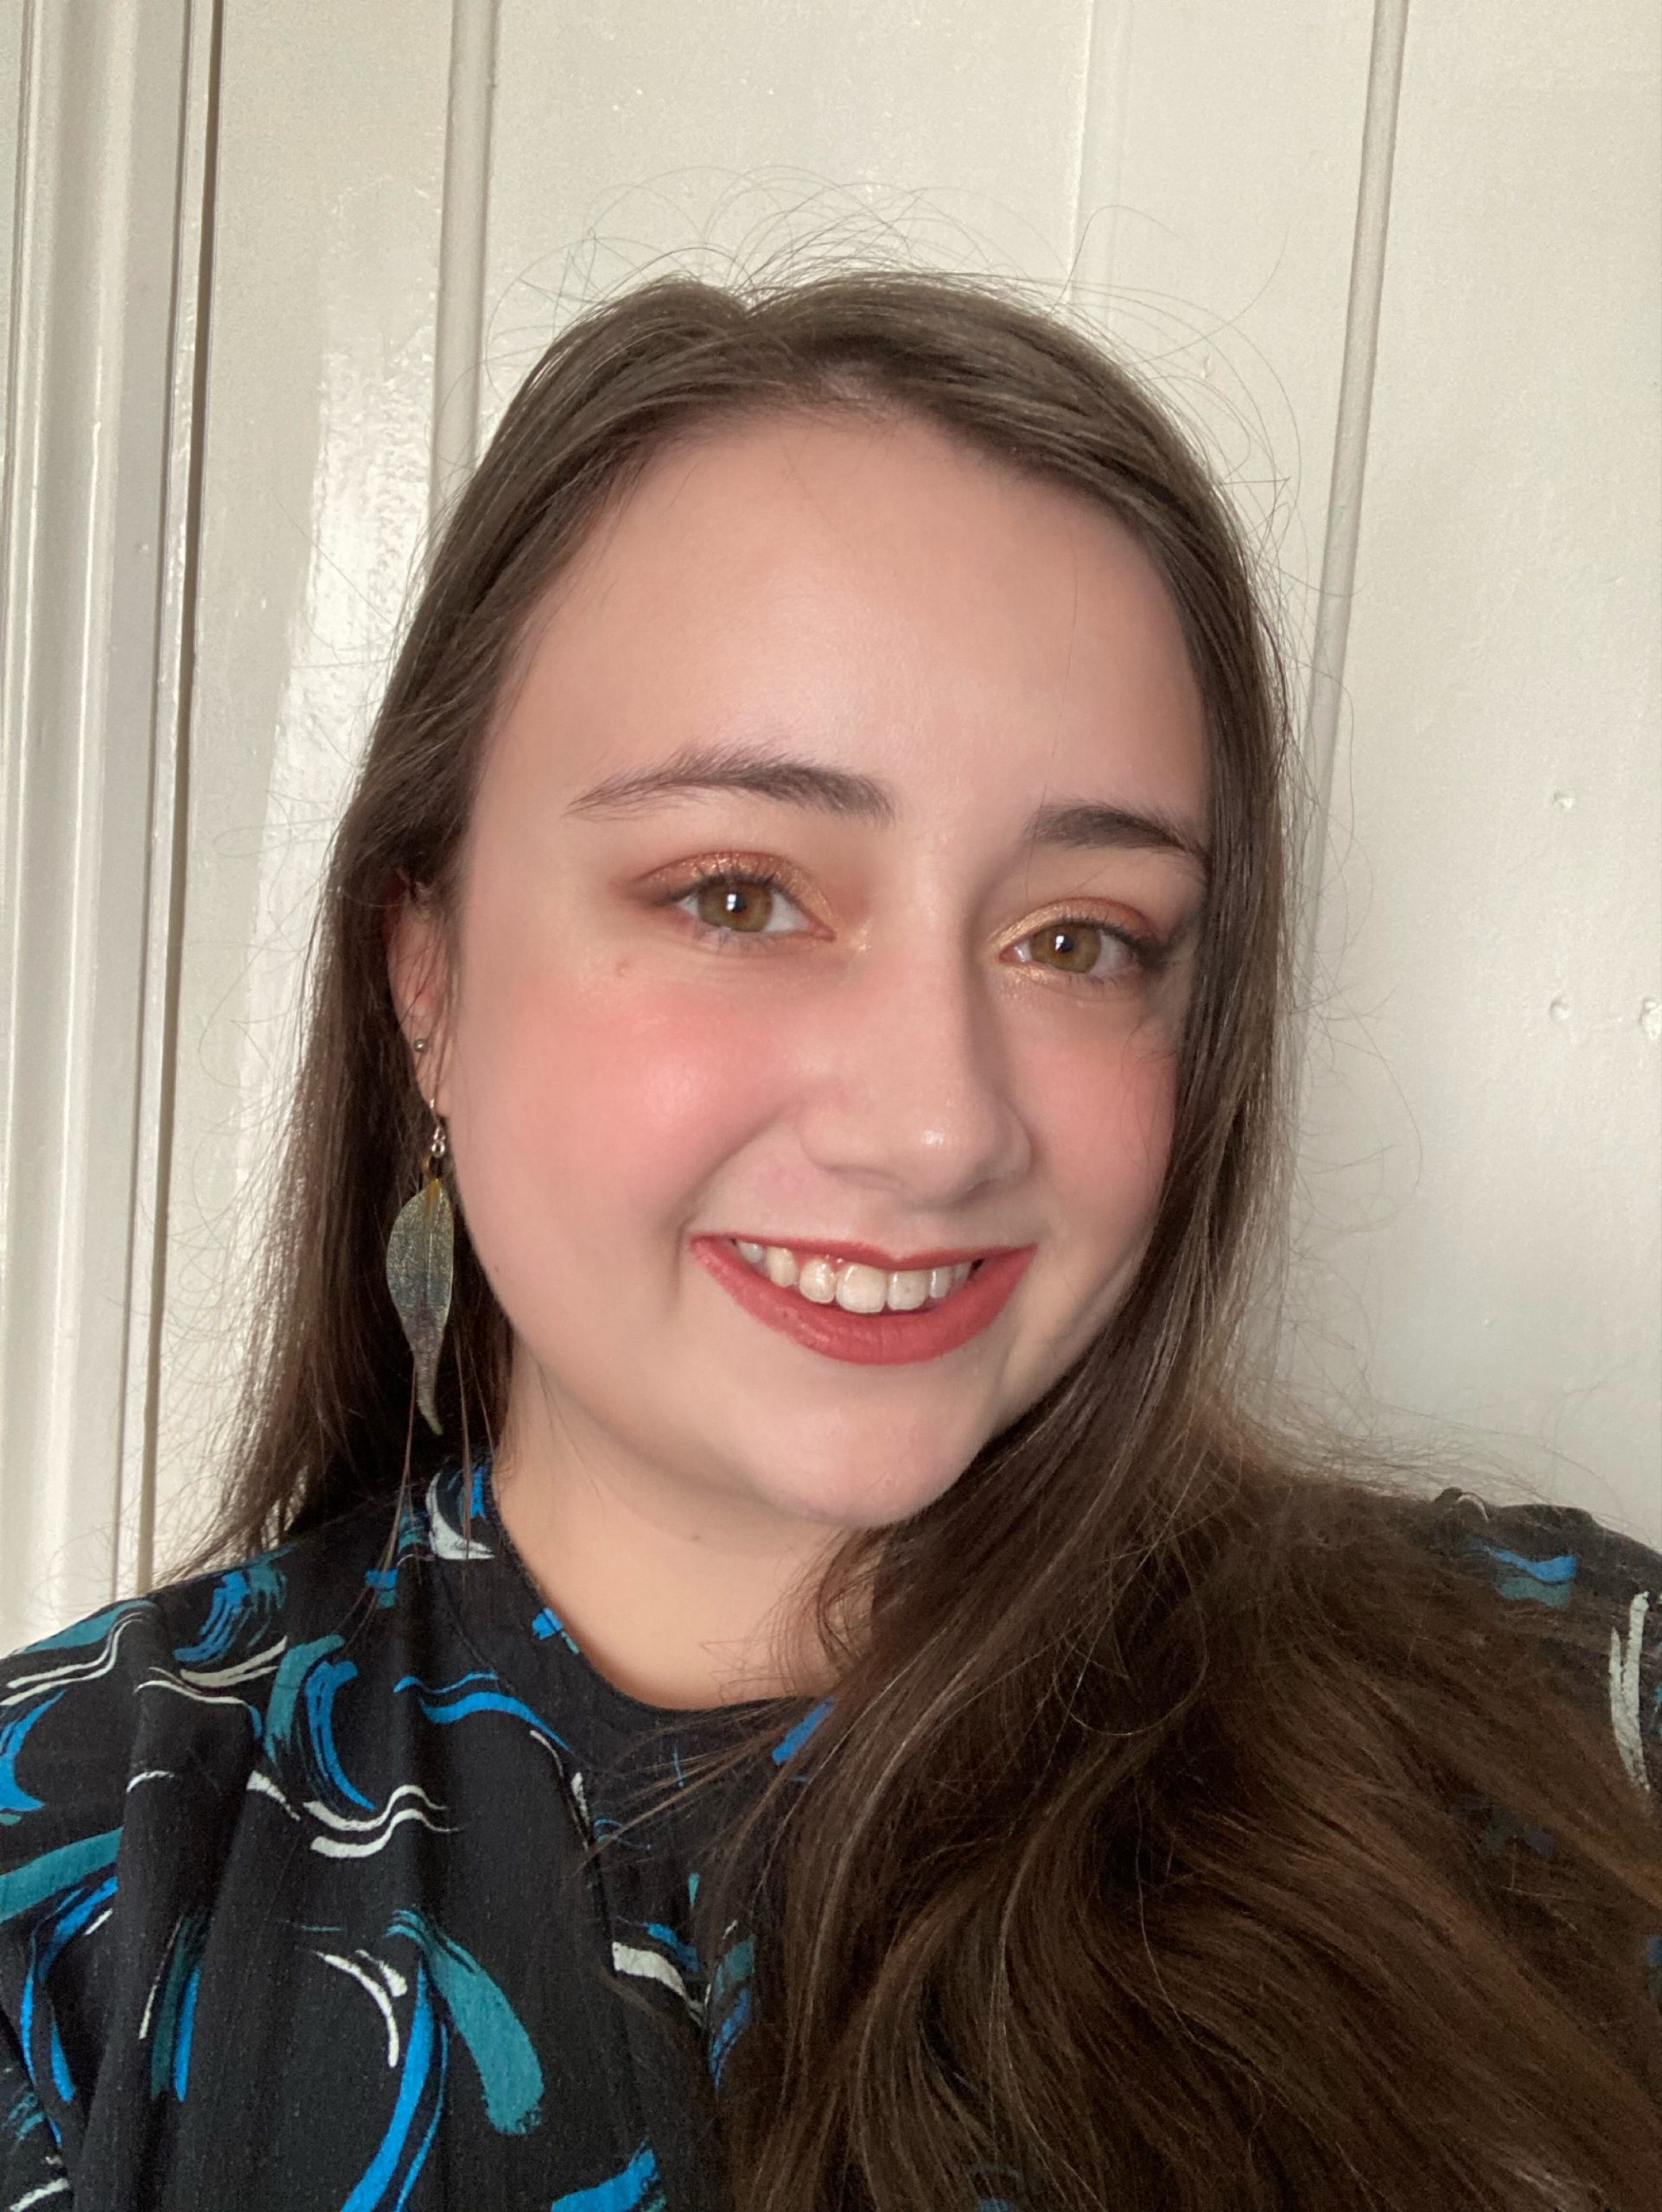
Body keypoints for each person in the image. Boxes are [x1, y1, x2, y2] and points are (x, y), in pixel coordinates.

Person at [0, 268, 1656, 2212]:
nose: (940, 1124)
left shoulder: (1573, 1737)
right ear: (424, 971)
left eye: (1079, 938)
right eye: (738, 894)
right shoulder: (66, 1885)